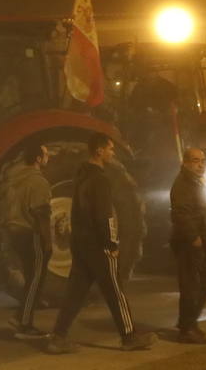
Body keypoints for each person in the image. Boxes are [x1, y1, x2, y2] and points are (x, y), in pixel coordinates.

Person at [45, 133, 156, 353]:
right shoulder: (101, 180)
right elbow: (105, 215)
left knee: (75, 293)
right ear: (99, 150)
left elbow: (78, 213)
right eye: (110, 149)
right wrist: (112, 243)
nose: (112, 153)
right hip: (99, 245)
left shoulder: (81, 177)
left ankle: (58, 338)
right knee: (115, 291)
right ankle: (129, 337)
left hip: (81, 245)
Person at [0, 141, 54, 339]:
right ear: (38, 159)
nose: (48, 157)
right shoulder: (38, 181)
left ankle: (21, 317)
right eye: (46, 154)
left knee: (31, 277)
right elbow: (41, 214)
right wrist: (47, 242)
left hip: (14, 231)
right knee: (36, 279)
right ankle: (24, 323)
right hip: (30, 233)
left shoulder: (16, 179)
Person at [169, 147, 206, 344]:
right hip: (190, 244)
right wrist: (193, 237)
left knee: (205, 283)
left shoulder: (199, 182)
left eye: (203, 161)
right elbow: (180, 214)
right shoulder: (182, 184)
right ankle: (186, 329)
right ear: (186, 163)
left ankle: (189, 323)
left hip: (202, 243)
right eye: (196, 161)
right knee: (191, 285)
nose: (201, 165)